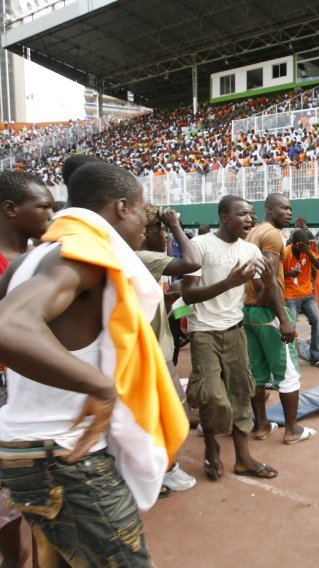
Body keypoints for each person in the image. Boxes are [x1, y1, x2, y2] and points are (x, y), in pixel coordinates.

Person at [0, 162, 188, 565]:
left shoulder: (24, 264)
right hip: (67, 453)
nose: (144, 225)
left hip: (28, 448)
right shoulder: (82, 257)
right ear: (122, 207)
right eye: (143, 212)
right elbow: (8, 327)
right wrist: (100, 386)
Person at [182, 195, 278, 480]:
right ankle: (211, 444)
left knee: (240, 394)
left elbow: (259, 295)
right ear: (224, 217)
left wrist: (270, 282)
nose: (250, 219)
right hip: (204, 332)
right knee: (213, 397)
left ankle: (243, 458)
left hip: (235, 329)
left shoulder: (250, 250)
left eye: (251, 214)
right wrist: (228, 283)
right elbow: (188, 294)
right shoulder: (200, 246)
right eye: (242, 214)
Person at [0, 171, 53, 567]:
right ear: (11, 209)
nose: (51, 214)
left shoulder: (42, 261)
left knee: (40, 501)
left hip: (39, 389)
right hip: (7, 386)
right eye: (45, 207)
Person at [137, 205, 201, 493]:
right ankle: (164, 469)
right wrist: (176, 225)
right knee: (174, 414)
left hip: (157, 346)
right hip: (149, 353)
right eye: (161, 230)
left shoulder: (143, 261)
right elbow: (192, 261)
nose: (164, 236)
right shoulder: (142, 257)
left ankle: (161, 467)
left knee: (166, 413)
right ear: (147, 231)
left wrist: (176, 301)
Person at [244, 193, 316, 444]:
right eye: (284, 208)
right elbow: (268, 277)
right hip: (268, 311)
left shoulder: (253, 232)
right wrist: (282, 318)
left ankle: (262, 425)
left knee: (258, 374)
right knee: (288, 374)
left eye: (291, 208)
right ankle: (292, 430)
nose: (289, 213)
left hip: (249, 310)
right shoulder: (273, 234)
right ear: (270, 209)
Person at [284, 229, 319, 366]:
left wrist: (307, 251)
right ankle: (289, 358)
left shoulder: (307, 250)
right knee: (291, 326)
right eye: (303, 246)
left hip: (307, 293)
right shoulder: (286, 252)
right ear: (296, 244)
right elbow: (277, 273)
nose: (305, 247)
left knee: (318, 320)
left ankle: (316, 357)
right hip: (290, 295)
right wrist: (289, 273)